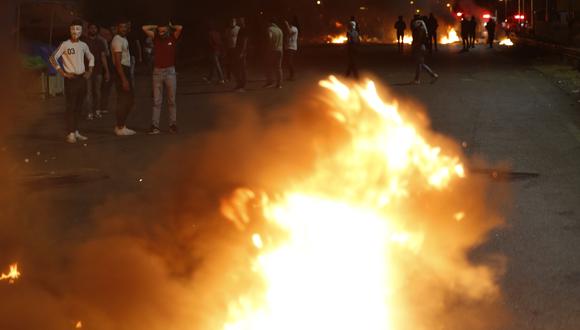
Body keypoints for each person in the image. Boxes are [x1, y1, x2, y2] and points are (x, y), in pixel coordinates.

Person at [50, 19, 94, 143]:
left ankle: (76, 131)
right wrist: (62, 72)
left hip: (82, 79)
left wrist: (90, 71)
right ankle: (70, 133)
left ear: (81, 31)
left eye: (78, 29)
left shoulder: (83, 45)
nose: (75, 31)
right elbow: (53, 58)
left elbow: (91, 56)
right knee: (71, 107)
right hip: (71, 79)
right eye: (73, 29)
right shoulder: (65, 44)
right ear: (70, 30)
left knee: (79, 107)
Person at [142, 22, 183, 135]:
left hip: (170, 72)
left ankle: (172, 125)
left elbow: (180, 27)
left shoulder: (173, 37)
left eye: (163, 31)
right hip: (157, 72)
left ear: (168, 30)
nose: (161, 33)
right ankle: (155, 126)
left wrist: (170, 26)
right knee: (156, 101)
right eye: (159, 31)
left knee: (171, 100)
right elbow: (144, 27)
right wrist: (156, 26)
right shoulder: (155, 38)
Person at [111, 18, 137, 136]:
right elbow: (117, 61)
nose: (124, 29)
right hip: (121, 70)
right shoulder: (117, 40)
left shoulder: (123, 38)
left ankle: (121, 125)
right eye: (121, 27)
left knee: (129, 100)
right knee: (124, 100)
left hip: (125, 69)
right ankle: (120, 127)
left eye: (125, 27)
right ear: (117, 28)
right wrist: (123, 79)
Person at [84, 23, 110, 120]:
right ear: (88, 29)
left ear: (97, 30)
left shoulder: (101, 42)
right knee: (88, 92)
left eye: (95, 28)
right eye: (91, 28)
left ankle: (97, 110)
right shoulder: (84, 42)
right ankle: (89, 112)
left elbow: (103, 57)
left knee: (98, 92)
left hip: (98, 70)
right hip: (87, 71)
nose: (93, 30)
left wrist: (107, 71)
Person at [411, 19, 438, 84]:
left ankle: (432, 75)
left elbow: (419, 40)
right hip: (421, 47)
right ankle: (417, 79)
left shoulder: (420, 30)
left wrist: (414, 46)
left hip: (419, 47)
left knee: (420, 63)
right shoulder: (423, 30)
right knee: (420, 64)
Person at [265, 18, 284, 89]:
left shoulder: (269, 29)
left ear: (270, 23)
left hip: (272, 50)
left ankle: (270, 82)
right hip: (280, 50)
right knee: (278, 67)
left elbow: (269, 38)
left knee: (269, 66)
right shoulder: (280, 30)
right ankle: (279, 84)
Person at [234, 17, 249, 91]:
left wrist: (242, 52)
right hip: (240, 51)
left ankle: (242, 85)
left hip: (242, 52)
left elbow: (244, 41)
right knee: (240, 68)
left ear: (242, 21)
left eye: (239, 21)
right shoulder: (241, 29)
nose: (238, 22)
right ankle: (240, 84)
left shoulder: (244, 30)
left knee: (242, 68)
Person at [127, 21, 142, 88]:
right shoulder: (123, 34)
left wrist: (140, 56)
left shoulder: (134, 33)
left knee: (131, 73)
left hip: (132, 55)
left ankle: (132, 86)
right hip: (124, 55)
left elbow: (138, 45)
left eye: (129, 24)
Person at [225, 18, 240, 82]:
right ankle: (229, 77)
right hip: (229, 48)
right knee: (228, 63)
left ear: (235, 22)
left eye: (233, 21)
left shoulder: (238, 29)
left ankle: (237, 76)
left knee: (236, 63)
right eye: (231, 21)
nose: (232, 23)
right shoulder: (227, 29)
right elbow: (226, 38)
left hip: (236, 48)